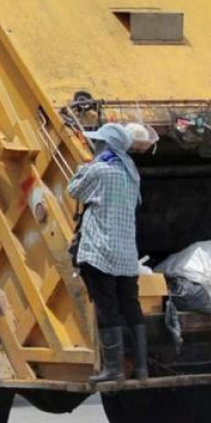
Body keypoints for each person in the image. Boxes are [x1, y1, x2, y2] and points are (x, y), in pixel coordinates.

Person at [68, 123, 148, 382]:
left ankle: (113, 368)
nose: (96, 145)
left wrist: (85, 167)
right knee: (130, 304)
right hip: (126, 253)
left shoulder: (100, 170)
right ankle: (142, 367)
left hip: (100, 252)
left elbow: (73, 190)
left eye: (100, 142)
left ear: (107, 145)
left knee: (107, 307)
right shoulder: (132, 172)